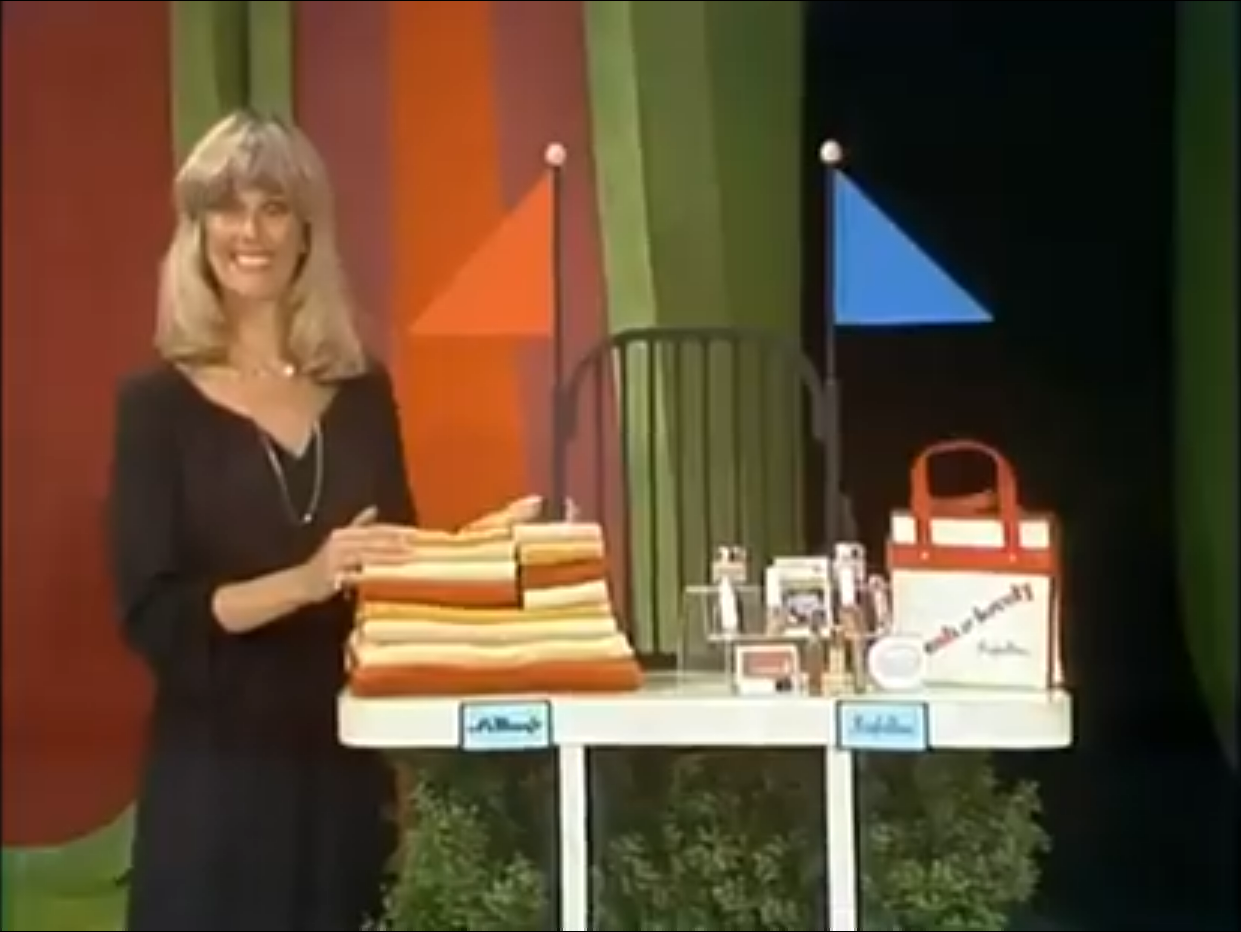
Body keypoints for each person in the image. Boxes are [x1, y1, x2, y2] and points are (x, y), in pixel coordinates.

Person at [106, 110, 418, 930]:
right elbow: (154, 613)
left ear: (308, 231)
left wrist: (488, 554)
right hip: (216, 783)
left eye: (275, 207)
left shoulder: (361, 393)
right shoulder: (154, 409)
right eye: (227, 207)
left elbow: (394, 569)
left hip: (343, 773)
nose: (251, 231)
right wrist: (306, 580)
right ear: (198, 229)